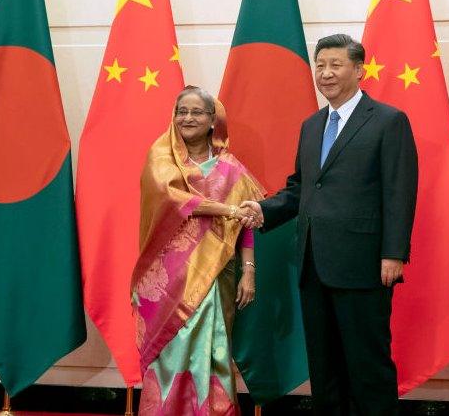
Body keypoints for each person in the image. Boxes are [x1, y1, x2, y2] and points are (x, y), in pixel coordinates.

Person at [239, 34, 418, 416]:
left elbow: (399, 191)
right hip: (313, 262)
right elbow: (303, 188)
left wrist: (393, 253)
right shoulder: (312, 124)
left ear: (358, 69)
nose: (326, 73)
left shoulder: (388, 121)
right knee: (324, 366)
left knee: (367, 365)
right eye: (320, 65)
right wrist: (264, 210)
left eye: (335, 65)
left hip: (364, 264)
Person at [131, 86, 263, 416]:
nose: (187, 118)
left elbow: (246, 224)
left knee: (213, 347)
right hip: (167, 279)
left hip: (216, 273)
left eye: (196, 112)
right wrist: (229, 210)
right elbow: (179, 202)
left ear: (212, 121)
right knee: (170, 349)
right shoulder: (162, 160)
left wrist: (249, 270)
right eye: (181, 111)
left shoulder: (230, 167)